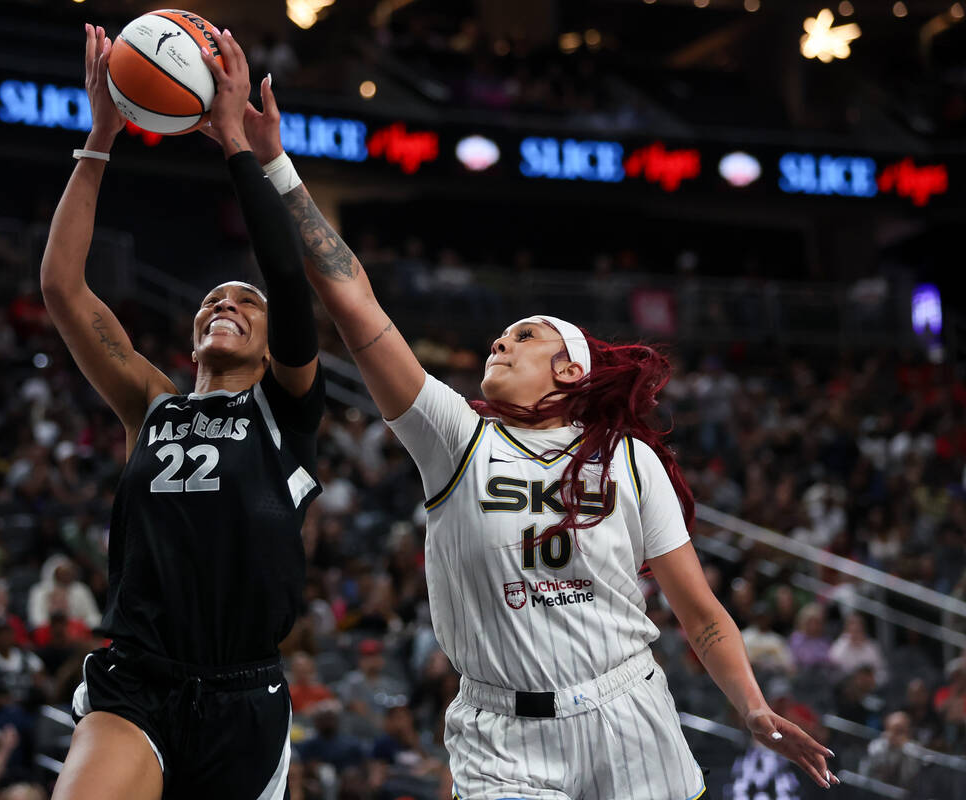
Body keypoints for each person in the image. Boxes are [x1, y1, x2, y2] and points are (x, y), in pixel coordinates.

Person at [236, 78, 838, 797]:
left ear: (569, 368)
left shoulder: (629, 460)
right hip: (503, 736)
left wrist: (753, 706)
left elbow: (701, 616)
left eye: (523, 335)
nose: (500, 340)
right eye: (502, 332)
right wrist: (275, 165)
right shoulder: (453, 436)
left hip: (629, 714)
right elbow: (353, 299)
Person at [44, 24, 323, 800]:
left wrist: (236, 139)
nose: (223, 303)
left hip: (244, 697)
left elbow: (290, 282)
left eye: (243, 303)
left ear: (272, 350)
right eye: (211, 299)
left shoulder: (286, 412)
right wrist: (100, 137)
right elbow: (65, 290)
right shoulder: (151, 404)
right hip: (138, 681)